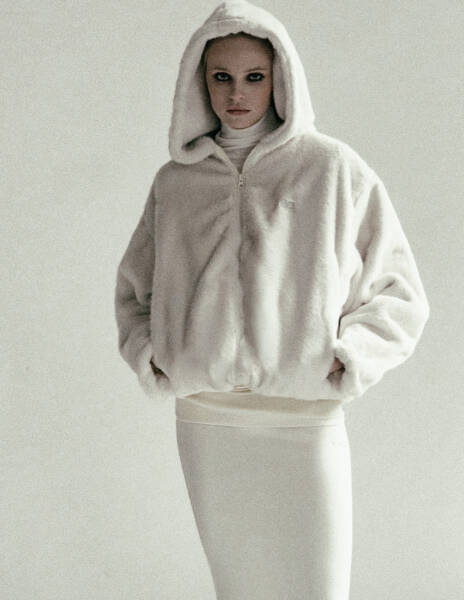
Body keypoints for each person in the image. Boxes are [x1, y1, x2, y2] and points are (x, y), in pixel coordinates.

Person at [114, 1, 430, 598]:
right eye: (222, 77)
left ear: (280, 78)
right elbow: (136, 289)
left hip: (304, 419)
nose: (237, 93)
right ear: (199, 81)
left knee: (318, 589)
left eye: (254, 76)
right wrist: (157, 355)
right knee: (239, 588)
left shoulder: (331, 168)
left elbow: (399, 290)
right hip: (208, 420)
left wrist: (350, 357)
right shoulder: (175, 183)